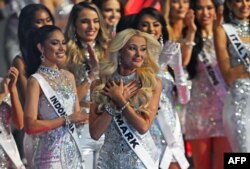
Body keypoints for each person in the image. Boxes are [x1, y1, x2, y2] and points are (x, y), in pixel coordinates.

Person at [89, 28, 162, 169]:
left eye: (143, 49)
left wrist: (120, 100)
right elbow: (95, 133)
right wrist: (112, 104)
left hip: (140, 159)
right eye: (132, 48)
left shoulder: (151, 83)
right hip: (108, 160)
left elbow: (143, 127)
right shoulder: (100, 84)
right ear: (119, 51)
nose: (139, 54)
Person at [24, 25, 88, 168]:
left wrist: (83, 119)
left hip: (74, 153)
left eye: (63, 43)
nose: (61, 48)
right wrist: (67, 119)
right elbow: (30, 126)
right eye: (54, 43)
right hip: (50, 157)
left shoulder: (69, 76)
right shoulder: (36, 81)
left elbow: (76, 115)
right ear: (41, 48)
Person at [134, 7, 190, 169]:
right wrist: (161, 64)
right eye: (145, 25)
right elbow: (141, 91)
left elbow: (184, 99)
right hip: (148, 126)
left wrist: (178, 69)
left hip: (172, 128)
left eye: (156, 24)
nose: (151, 29)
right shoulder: (133, 57)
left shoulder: (169, 52)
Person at [184, 0, 232, 169]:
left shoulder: (228, 37)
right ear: (193, 12)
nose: (205, 12)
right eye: (200, 8)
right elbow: (183, 62)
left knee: (223, 165)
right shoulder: (189, 38)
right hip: (198, 113)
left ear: (217, 10)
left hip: (224, 110)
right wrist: (191, 31)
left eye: (209, 7)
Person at [64, 1, 109, 168]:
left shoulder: (109, 50)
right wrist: (92, 75)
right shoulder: (66, 55)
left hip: (107, 124)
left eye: (96, 21)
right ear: (74, 25)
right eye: (85, 21)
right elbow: (67, 99)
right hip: (81, 127)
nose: (92, 26)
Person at [10, 4, 55, 166]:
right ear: (27, 26)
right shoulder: (20, 62)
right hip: (39, 137)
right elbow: (29, 107)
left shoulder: (59, 58)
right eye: (39, 21)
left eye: (48, 19)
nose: (45, 24)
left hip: (62, 133)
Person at [214, 0, 250, 152]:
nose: (244, 5)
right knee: (241, 157)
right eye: (238, 1)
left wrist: (242, 69)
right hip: (239, 106)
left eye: (248, 0)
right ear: (229, 4)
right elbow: (228, 75)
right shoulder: (222, 31)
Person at [0, 67, 25, 169]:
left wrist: (13, 89)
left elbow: (20, 124)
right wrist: (3, 94)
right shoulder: (3, 89)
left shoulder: (2, 83)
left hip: (9, 156)